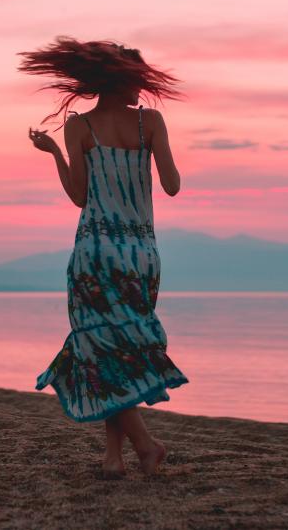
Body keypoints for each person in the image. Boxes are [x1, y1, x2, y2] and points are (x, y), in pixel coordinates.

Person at [17, 36, 190, 477]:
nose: (142, 90)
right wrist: (152, 159)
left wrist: (55, 153)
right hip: (140, 253)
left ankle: (128, 452)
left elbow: (79, 197)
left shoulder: (79, 127)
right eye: (137, 80)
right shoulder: (149, 122)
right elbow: (171, 185)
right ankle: (122, 455)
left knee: (101, 349)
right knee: (122, 351)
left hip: (94, 251)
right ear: (120, 81)